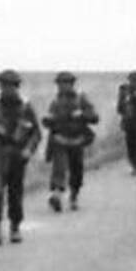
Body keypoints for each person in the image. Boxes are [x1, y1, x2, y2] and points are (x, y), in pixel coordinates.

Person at [0, 69, 41, 245]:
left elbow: (36, 133)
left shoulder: (25, 107)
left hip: (18, 155)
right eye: (4, 86)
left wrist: (29, 149)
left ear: (17, 87)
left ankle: (15, 227)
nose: (7, 90)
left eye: (11, 86)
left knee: (15, 192)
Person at [42, 71, 98, 211]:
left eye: (65, 83)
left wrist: (82, 115)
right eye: (60, 84)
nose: (62, 87)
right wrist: (49, 120)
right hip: (60, 140)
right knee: (59, 169)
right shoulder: (55, 102)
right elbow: (48, 120)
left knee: (76, 171)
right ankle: (57, 195)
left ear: (71, 84)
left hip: (77, 140)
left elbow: (94, 117)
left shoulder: (81, 99)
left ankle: (74, 196)